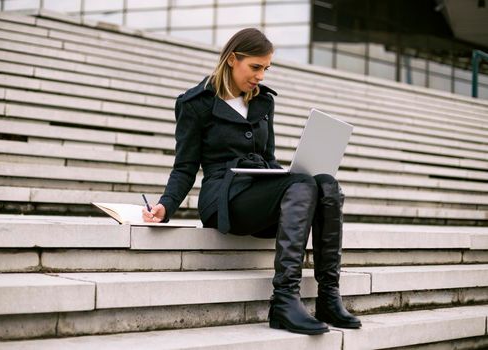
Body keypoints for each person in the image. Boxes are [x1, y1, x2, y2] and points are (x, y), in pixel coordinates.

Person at [142, 28, 361, 335]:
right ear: (233, 59)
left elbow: (268, 158)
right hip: (223, 198)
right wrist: (165, 205)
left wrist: (289, 175)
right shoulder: (196, 103)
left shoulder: (263, 103)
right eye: (255, 67)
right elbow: (185, 167)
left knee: (325, 183)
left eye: (265, 68)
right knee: (305, 185)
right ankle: (284, 301)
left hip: (256, 191)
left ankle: (328, 296)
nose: (261, 75)